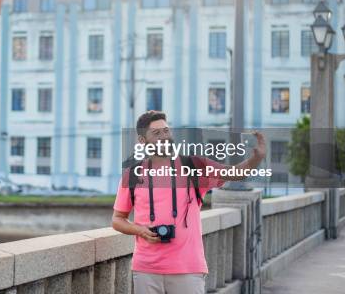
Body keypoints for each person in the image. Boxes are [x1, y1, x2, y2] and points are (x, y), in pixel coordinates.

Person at [111, 110, 266, 294]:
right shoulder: (132, 175)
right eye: (157, 133)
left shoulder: (193, 166)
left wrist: (255, 159)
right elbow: (117, 219)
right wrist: (140, 230)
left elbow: (232, 173)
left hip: (188, 268)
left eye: (166, 131)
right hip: (146, 269)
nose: (164, 137)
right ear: (142, 141)